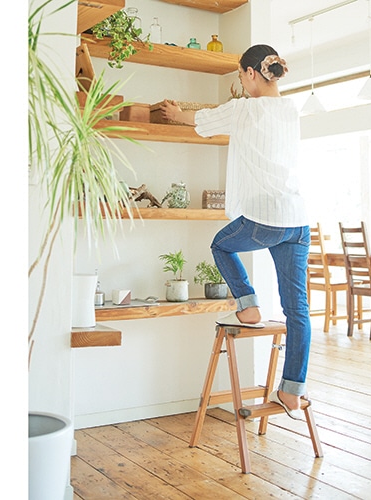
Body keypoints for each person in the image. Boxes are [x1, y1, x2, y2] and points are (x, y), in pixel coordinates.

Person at [160, 45, 311, 419]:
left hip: (264, 218)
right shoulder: (291, 109)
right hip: (297, 220)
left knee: (221, 245)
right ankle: (292, 391)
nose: (242, 83)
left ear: (251, 73)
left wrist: (176, 113)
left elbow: (204, 120)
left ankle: (248, 305)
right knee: (298, 309)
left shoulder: (244, 110)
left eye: (242, 76)